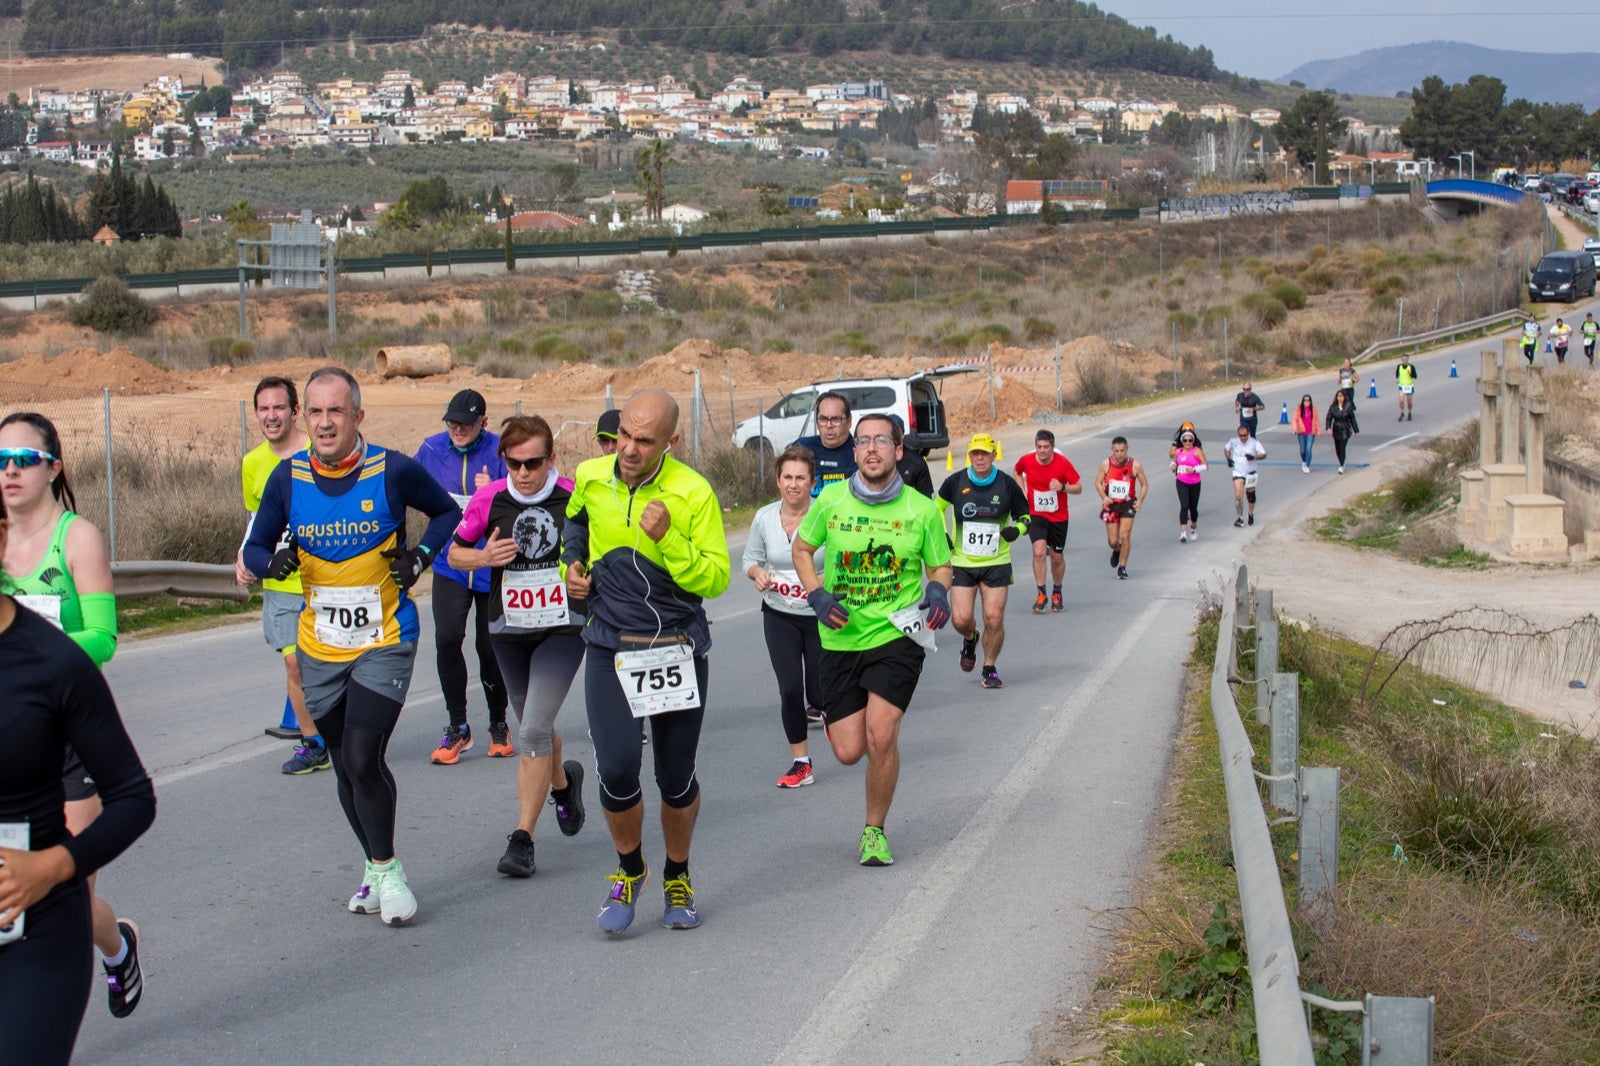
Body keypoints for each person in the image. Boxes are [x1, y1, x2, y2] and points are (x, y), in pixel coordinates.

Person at [243, 366, 462, 927]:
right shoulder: (287, 478)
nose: (323, 422)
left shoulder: (391, 470)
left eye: (335, 411)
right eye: (314, 411)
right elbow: (255, 548)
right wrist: (273, 563)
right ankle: (373, 865)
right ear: (303, 417)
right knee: (344, 768)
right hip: (320, 644)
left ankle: (388, 871)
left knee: (365, 757)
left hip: (385, 637)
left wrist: (420, 558)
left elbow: (447, 513)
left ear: (357, 416)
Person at [563, 388, 730, 934]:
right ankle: (629, 868)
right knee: (614, 770)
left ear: (671, 442)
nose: (629, 450)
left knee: (675, 777)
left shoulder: (694, 492)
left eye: (644, 440)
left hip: (675, 647)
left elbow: (715, 579)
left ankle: (677, 876)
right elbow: (575, 523)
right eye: (624, 436)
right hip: (610, 645)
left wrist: (671, 540)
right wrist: (574, 563)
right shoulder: (590, 475)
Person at [0, 487, 156, 1066]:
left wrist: (52, 866)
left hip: (33, 926)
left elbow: (134, 798)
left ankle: (114, 948)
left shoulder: (54, 663)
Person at [792, 413, 952, 867]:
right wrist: (816, 594)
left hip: (898, 633)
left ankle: (874, 831)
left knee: (882, 737)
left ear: (899, 451)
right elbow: (802, 549)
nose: (872, 448)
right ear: (855, 451)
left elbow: (940, 565)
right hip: (841, 634)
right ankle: (846, 725)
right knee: (848, 751)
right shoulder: (833, 500)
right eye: (863, 441)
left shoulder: (921, 509)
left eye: (882, 440)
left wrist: (938, 587)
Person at [446, 415, 587, 879]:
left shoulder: (574, 495)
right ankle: (564, 785)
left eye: (533, 463)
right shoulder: (490, 498)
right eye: (514, 463)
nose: (523, 473)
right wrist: (484, 557)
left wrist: (583, 574)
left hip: (562, 628)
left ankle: (522, 838)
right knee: (535, 726)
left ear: (551, 459)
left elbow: (602, 547)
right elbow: (453, 553)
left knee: (530, 733)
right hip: (508, 629)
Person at [234, 377, 328, 775]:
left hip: (326, 581)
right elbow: (258, 521)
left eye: (278, 408)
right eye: (263, 408)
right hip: (279, 582)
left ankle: (345, 731)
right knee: (294, 664)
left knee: (333, 663)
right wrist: (244, 554)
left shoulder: (320, 450)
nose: (270, 416)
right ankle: (313, 744)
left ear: (294, 412)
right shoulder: (252, 464)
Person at [415, 389, 511, 764]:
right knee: (447, 639)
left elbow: (521, 501)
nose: (457, 429)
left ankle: (498, 723)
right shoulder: (430, 449)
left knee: (491, 648)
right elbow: (407, 488)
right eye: (452, 422)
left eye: (466, 423)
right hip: (450, 565)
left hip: (491, 566)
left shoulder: (502, 452)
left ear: (483, 423)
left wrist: (493, 494)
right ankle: (458, 727)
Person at [743, 445, 823, 788]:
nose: (793, 484)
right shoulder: (763, 517)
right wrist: (757, 573)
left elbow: (842, 561)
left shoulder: (826, 514)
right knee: (790, 689)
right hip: (779, 613)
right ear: (778, 481)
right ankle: (801, 762)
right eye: (787, 477)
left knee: (820, 693)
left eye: (800, 478)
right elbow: (750, 559)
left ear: (811, 482)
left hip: (820, 614)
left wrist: (822, 583)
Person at [938, 433, 1028, 689]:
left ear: (993, 455)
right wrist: (942, 533)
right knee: (960, 619)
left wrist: (1017, 531)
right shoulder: (955, 482)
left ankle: (989, 667)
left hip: (996, 561)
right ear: (969, 456)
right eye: (974, 453)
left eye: (984, 453)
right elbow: (934, 509)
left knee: (993, 619)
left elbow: (1026, 517)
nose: (979, 458)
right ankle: (970, 638)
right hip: (963, 562)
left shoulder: (1007, 484)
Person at [1013, 429, 1081, 613]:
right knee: (1039, 552)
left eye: (1046, 447)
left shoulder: (1062, 463)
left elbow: (1079, 487)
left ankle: (1057, 591)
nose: (1042, 451)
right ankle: (1041, 593)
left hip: (1058, 516)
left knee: (1057, 558)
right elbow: (1017, 471)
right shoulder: (1027, 460)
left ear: (1052, 447)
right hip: (1036, 514)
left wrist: (1062, 486)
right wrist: (1022, 491)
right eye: (1039, 447)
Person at [1095, 436, 1147, 580]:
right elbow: (1097, 482)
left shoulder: (1135, 465)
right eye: (1116, 451)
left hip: (1127, 504)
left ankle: (1122, 567)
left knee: (1124, 535)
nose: (1119, 454)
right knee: (1112, 541)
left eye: (1122, 450)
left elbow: (1144, 484)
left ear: (1127, 450)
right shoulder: (1106, 464)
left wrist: (1140, 501)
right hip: (1111, 505)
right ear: (1112, 450)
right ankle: (1116, 550)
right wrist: (1103, 497)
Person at [792, 391, 856, 497]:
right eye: (823, 419)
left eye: (836, 419)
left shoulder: (861, 451)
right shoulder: (802, 448)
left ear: (849, 422)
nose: (829, 425)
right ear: (817, 422)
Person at [1169, 427, 1208, 542]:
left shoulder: (1197, 451)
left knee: (1193, 508)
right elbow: (1173, 462)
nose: (1187, 443)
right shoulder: (1178, 452)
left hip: (1195, 482)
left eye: (1190, 440)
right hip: (1181, 481)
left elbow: (1206, 466)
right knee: (1184, 506)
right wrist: (1172, 466)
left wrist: (1194, 470)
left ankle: (1193, 527)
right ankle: (1183, 533)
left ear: (1193, 441)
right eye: (1185, 440)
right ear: (1182, 441)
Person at [1225, 424, 1268, 527]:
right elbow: (1226, 449)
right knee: (1238, 495)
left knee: (1250, 496)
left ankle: (1250, 513)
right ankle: (1240, 518)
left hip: (1250, 472)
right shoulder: (1234, 441)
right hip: (1238, 472)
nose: (1243, 438)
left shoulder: (1254, 443)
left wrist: (1253, 457)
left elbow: (1264, 455)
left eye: (1245, 435)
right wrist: (1228, 458)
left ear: (1248, 433)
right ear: (1238, 435)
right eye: (1241, 435)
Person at [1325, 390, 1360, 474]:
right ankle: (1341, 462)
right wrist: (1328, 427)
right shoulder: (1333, 406)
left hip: (1345, 429)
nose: (1339, 398)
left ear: (1344, 397)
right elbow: (1329, 418)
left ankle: (1341, 465)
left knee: (1342, 447)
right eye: (1338, 396)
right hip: (1336, 429)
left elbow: (1352, 419)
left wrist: (1356, 430)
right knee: (1337, 449)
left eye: (1341, 396)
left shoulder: (1348, 406)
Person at [1292, 394, 1320, 473]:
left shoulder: (1313, 409)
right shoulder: (1299, 409)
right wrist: (1294, 429)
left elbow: (1317, 420)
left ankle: (1307, 465)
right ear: (1303, 401)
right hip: (1301, 433)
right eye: (1305, 400)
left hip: (1310, 433)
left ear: (1310, 401)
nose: (1306, 402)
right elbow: (1294, 419)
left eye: (1308, 400)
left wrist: (1318, 431)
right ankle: (1304, 461)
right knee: (1302, 450)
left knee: (1308, 449)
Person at [1394, 355, 1418, 422]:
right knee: (1401, 400)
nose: (1405, 361)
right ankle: (1402, 413)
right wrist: (1396, 379)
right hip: (1402, 386)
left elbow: (1415, 376)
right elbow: (1397, 373)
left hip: (1409, 386)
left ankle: (1409, 412)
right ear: (1401, 360)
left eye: (1406, 360)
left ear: (1408, 360)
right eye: (1403, 360)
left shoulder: (1411, 367)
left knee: (1409, 401)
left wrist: (1410, 374)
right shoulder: (1399, 366)